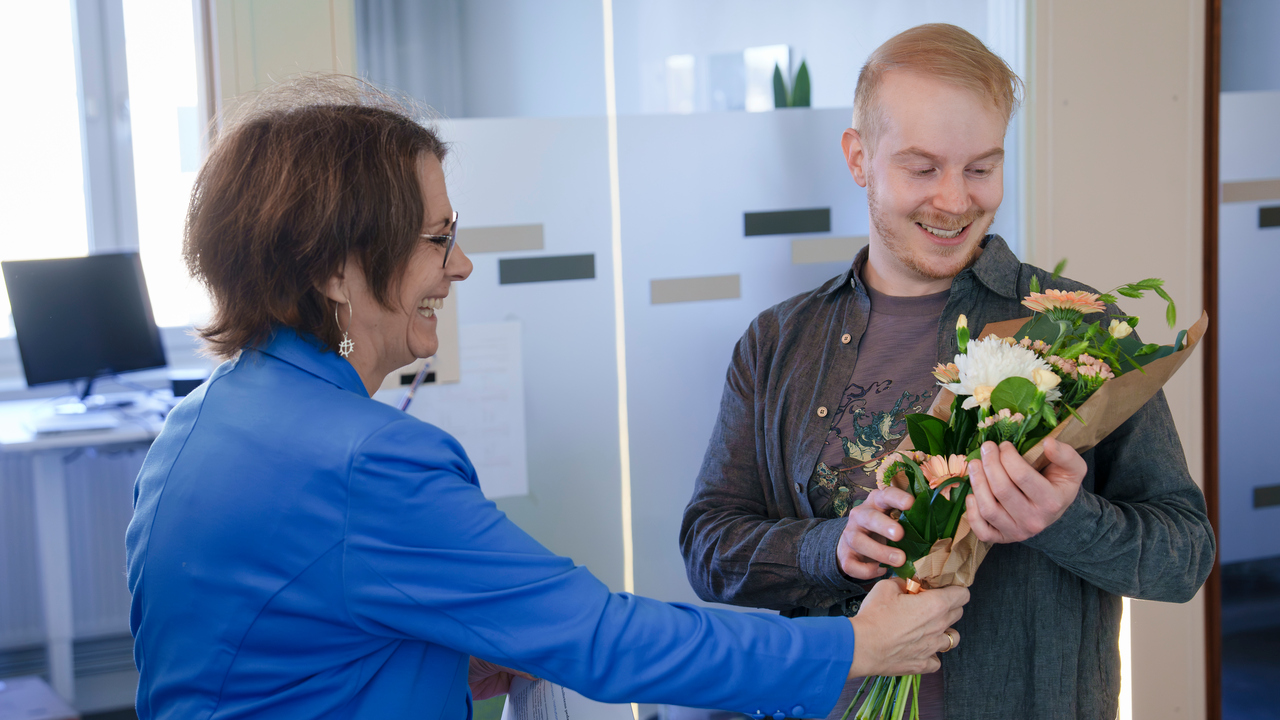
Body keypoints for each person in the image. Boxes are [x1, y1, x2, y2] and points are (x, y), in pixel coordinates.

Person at [123, 76, 969, 720]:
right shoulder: (369, 463)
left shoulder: (195, 427)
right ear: (332, 269)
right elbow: (601, 638)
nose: (460, 266)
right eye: (438, 239)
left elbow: (271, 654)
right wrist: (855, 643)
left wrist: (436, 657)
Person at [680, 23, 1215, 720]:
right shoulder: (778, 343)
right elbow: (708, 547)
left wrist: (1064, 519)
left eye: (981, 168)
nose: (957, 200)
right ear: (858, 158)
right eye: (922, 168)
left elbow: (1185, 558)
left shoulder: (1079, 332)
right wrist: (828, 548)